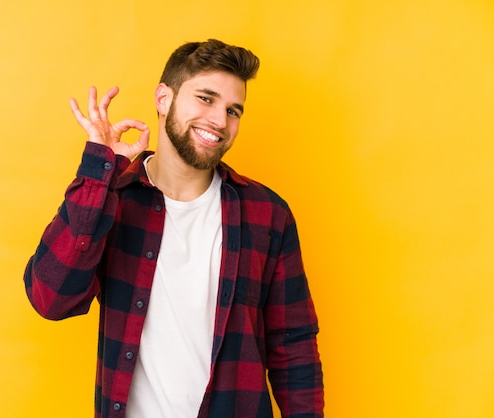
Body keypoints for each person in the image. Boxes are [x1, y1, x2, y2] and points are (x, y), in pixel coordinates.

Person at [24, 39, 323, 418]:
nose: (220, 121)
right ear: (164, 99)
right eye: (206, 98)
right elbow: (50, 298)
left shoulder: (266, 214)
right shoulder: (116, 199)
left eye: (234, 110)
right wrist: (100, 172)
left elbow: (293, 345)